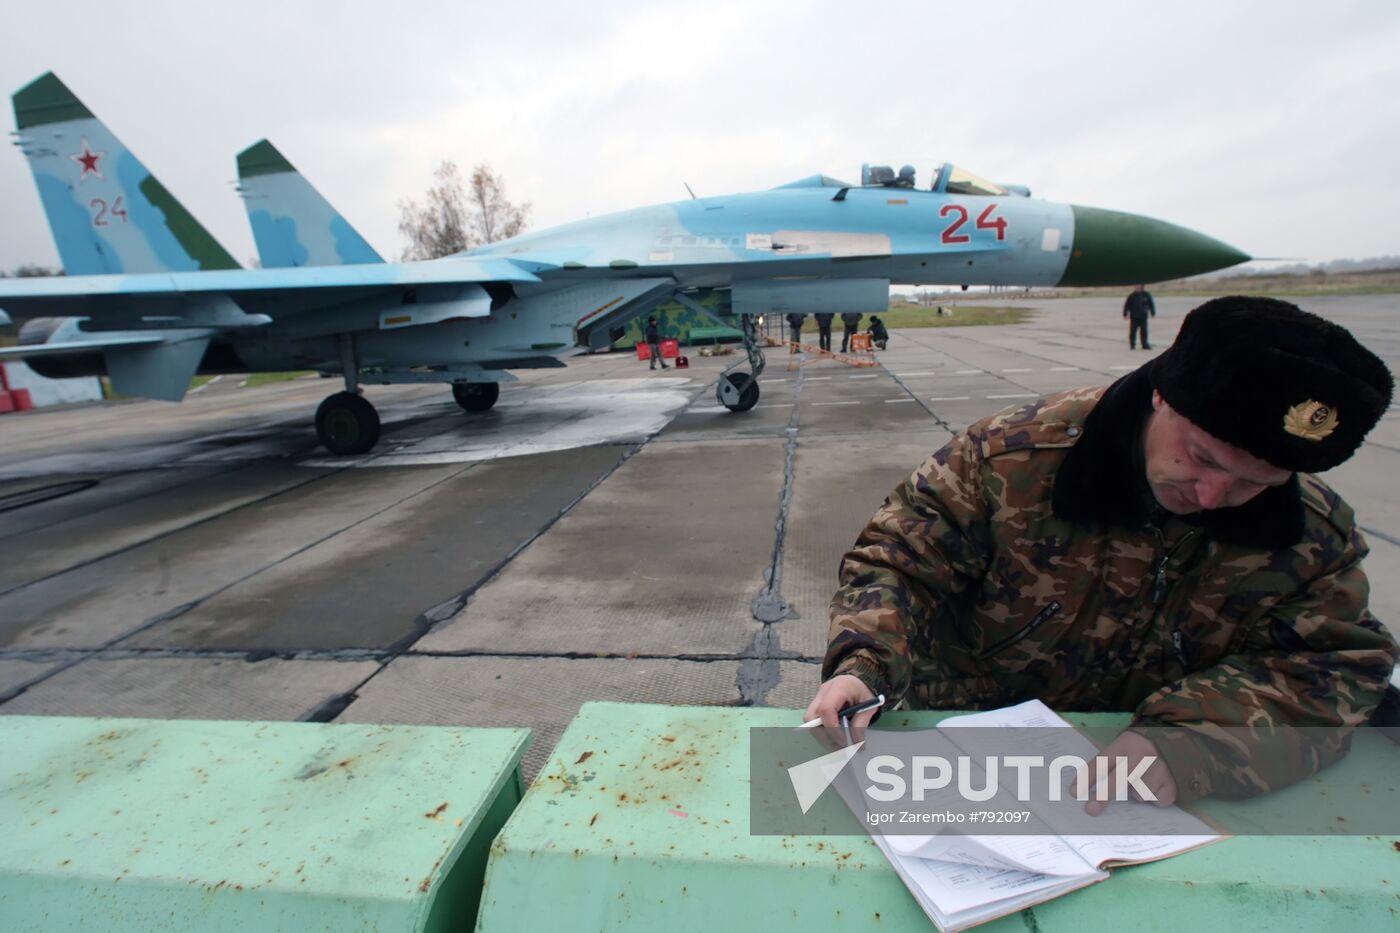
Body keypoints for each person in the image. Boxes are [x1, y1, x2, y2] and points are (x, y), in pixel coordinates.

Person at [806, 296, 1396, 807]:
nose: (1214, 496)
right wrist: (866, 663)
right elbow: (899, 562)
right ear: (1164, 396)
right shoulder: (1009, 460)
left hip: (1147, 796)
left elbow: (1333, 669)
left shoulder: (1313, 535)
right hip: (965, 755)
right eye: (1203, 458)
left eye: (1256, 483)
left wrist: (1192, 743)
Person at [1124, 284, 1156, 350]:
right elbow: (1127, 305)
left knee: (1144, 331)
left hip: (1143, 317)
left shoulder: (1146, 295)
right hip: (1134, 317)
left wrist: (1153, 312)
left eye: (1138, 286)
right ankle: (1132, 345)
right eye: (1136, 286)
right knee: (1133, 331)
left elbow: (1151, 304)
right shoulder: (1131, 296)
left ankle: (1145, 344)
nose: (1136, 287)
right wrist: (1125, 314)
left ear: (1142, 287)